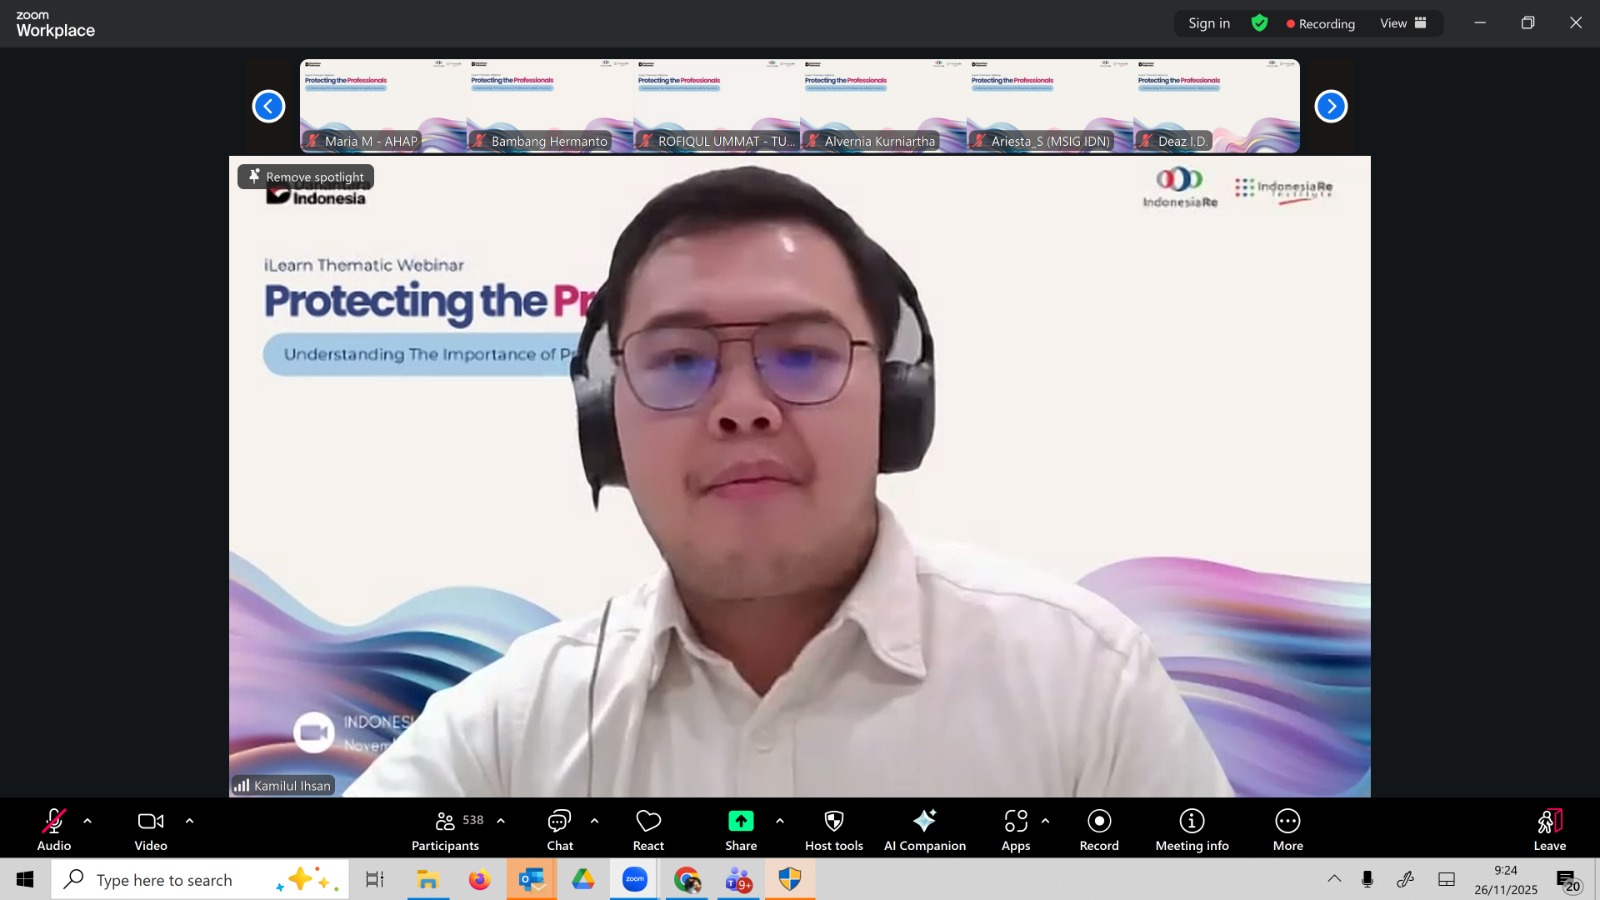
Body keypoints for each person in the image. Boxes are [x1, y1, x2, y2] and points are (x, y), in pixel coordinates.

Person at [344, 165, 1232, 797]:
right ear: (605, 417)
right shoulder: (507, 731)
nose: (742, 408)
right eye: (680, 361)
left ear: (895, 399)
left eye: (803, 354)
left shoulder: (1082, 682)